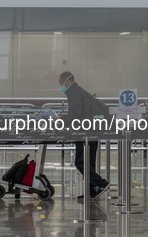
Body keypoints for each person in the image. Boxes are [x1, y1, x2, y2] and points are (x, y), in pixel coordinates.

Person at [59, 71, 110, 199]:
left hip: (84, 132)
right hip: (93, 130)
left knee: (81, 162)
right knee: (89, 162)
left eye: (61, 83)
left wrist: (59, 119)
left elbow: (75, 115)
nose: (61, 86)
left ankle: (101, 183)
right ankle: (93, 189)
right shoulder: (81, 91)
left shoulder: (74, 92)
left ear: (67, 81)